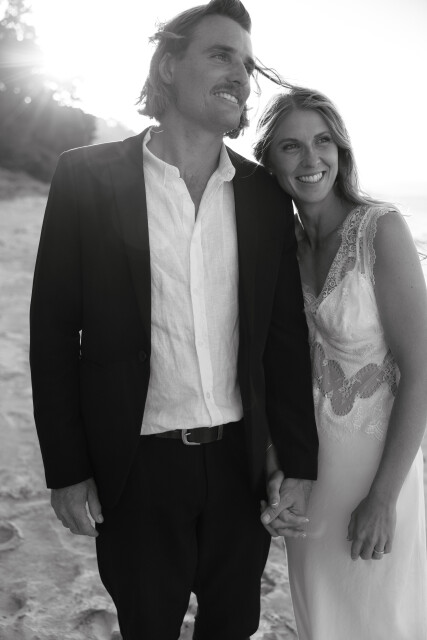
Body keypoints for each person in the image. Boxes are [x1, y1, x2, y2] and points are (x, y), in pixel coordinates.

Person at [29, 3, 319, 639]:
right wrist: (67, 470)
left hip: (240, 469)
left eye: (247, 65)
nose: (240, 75)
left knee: (232, 627)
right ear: (168, 66)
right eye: (221, 55)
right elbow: (52, 333)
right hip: (134, 467)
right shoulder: (85, 177)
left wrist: (298, 461)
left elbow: (283, 338)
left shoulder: (265, 195)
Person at [255, 87, 427, 639]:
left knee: (381, 621)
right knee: (323, 622)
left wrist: (383, 498)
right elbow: (277, 369)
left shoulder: (380, 229)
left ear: (341, 149)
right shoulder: (282, 245)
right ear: (270, 161)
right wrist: (278, 465)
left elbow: (422, 370)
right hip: (308, 472)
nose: (312, 159)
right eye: (291, 146)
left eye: (323, 140)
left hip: (377, 469)